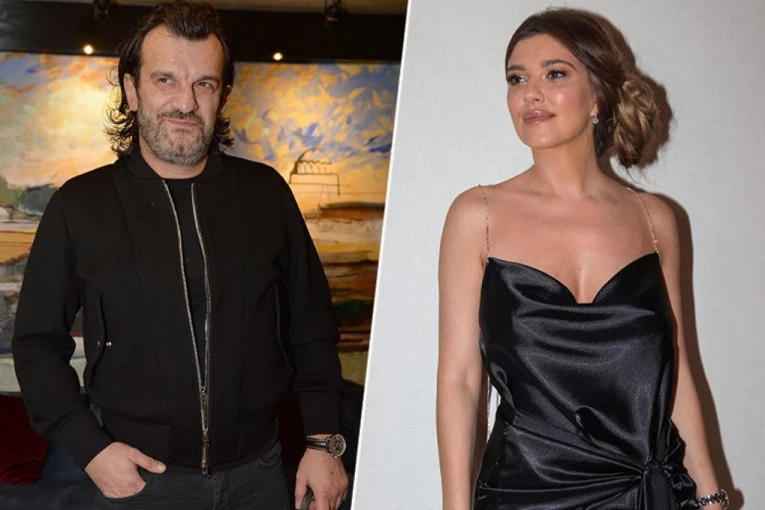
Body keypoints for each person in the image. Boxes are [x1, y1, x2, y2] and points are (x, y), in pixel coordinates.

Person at [11, 1, 348, 509]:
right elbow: (37, 344)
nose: (186, 102)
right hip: (140, 480)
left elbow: (312, 328)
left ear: (222, 94)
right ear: (132, 90)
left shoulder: (266, 195)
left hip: (259, 476)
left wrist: (324, 443)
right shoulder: (79, 205)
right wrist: (89, 449)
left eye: (204, 84)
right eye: (165, 80)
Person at [436, 8, 727, 510]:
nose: (530, 93)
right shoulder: (476, 216)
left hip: (645, 496)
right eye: (516, 78)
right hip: (522, 495)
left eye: (554, 74)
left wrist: (710, 495)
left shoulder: (654, 219)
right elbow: (460, 380)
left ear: (597, 96)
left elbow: (677, 367)